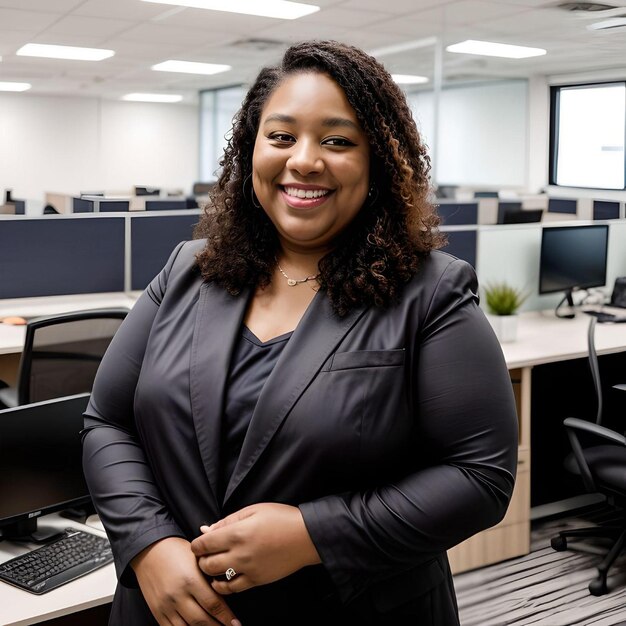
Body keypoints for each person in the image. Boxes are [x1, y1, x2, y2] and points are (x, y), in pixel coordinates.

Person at [82, 40, 518, 626]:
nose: (304, 160)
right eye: (281, 136)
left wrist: (313, 534)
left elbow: (479, 476)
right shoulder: (189, 270)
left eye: (337, 140)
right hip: (168, 607)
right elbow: (107, 423)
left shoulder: (430, 293)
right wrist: (149, 545)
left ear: (379, 162)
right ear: (252, 149)